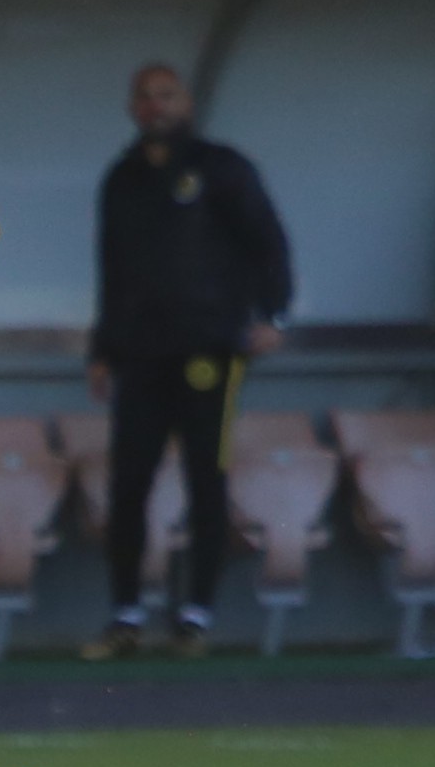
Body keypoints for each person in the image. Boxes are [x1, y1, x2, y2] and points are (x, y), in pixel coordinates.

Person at [83, 62, 293, 661]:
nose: (156, 107)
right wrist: (103, 348)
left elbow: (269, 242)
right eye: (145, 97)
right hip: (139, 355)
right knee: (129, 485)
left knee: (207, 482)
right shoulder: (122, 178)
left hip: (211, 353)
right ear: (132, 106)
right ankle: (125, 615)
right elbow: (112, 270)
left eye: (166, 96)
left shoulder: (221, 168)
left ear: (187, 101)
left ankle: (195, 616)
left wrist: (271, 316)